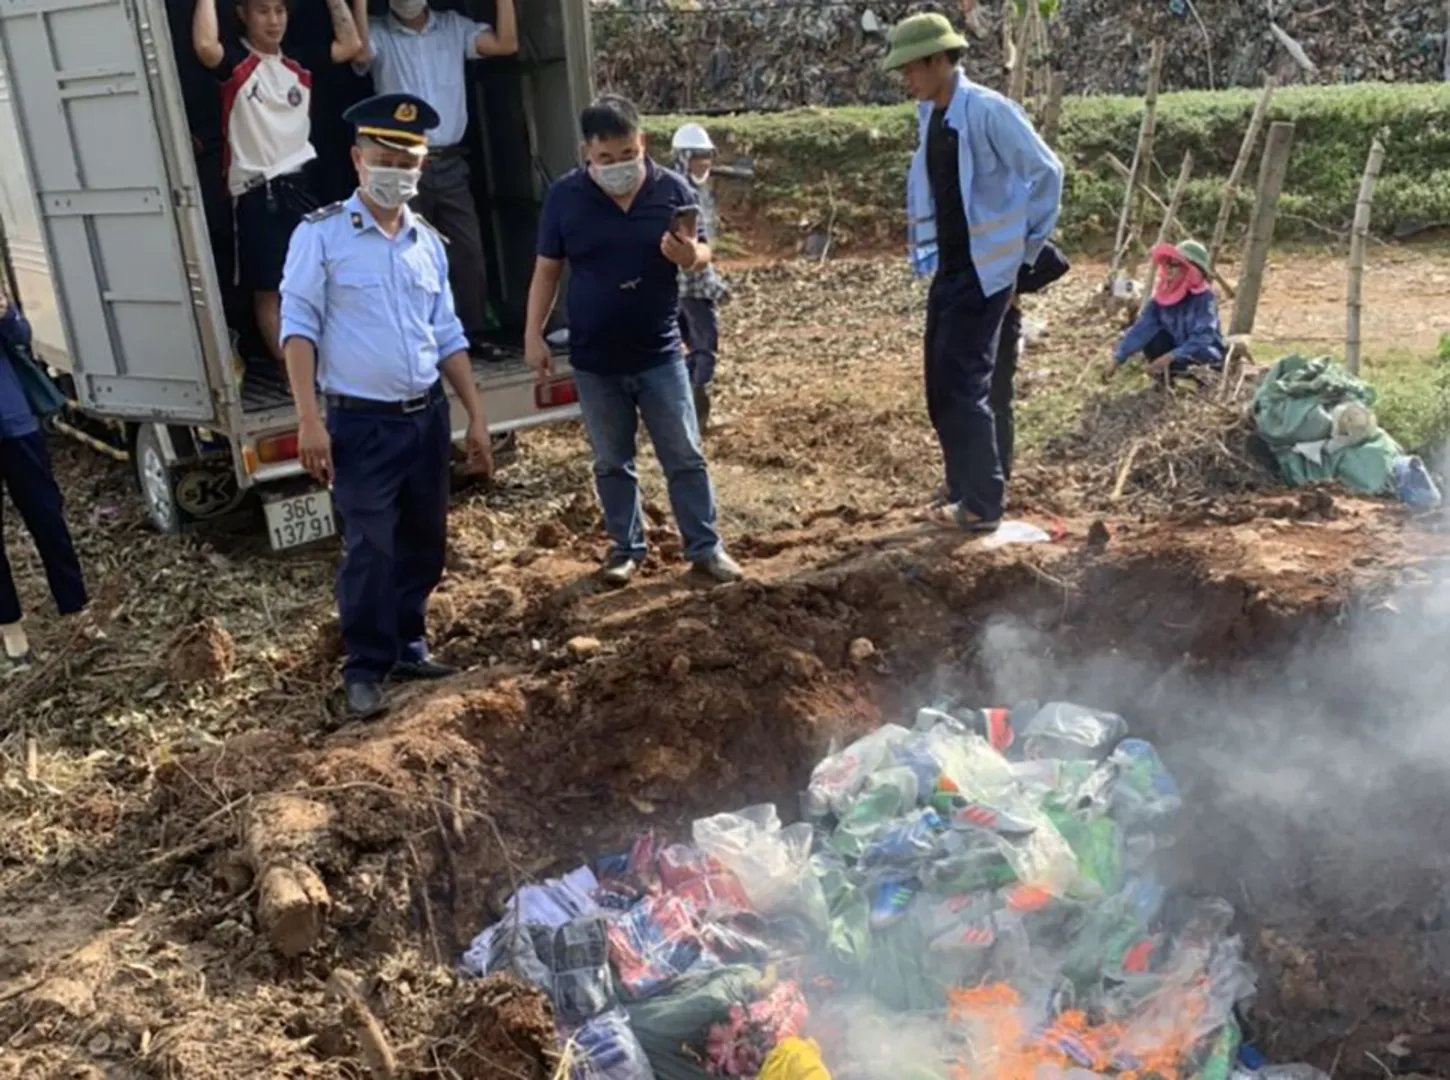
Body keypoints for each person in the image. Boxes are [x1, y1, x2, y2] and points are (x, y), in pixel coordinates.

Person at [279, 92, 493, 720]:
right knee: (371, 546)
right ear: (357, 158)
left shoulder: (428, 241)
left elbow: (447, 334)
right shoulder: (320, 237)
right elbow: (299, 328)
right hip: (359, 422)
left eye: (409, 158)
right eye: (384, 155)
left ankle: (408, 642)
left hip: (424, 417)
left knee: (424, 540)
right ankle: (365, 666)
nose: (397, 168)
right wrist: (308, 419)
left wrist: (476, 414)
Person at [523, 95, 743, 589]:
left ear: (641, 143)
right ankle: (626, 550)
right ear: (588, 154)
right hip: (595, 357)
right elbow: (547, 270)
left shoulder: (672, 189)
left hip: (660, 350)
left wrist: (691, 257)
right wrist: (532, 333)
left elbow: (704, 248)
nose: (618, 167)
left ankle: (705, 547)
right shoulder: (565, 197)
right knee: (611, 461)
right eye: (606, 159)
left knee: (684, 453)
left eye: (627, 154)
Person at [883, 12, 1063, 533]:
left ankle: (983, 502)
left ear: (940, 60)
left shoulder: (987, 111)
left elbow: (1046, 172)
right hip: (951, 267)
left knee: (964, 384)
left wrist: (1023, 256)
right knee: (940, 384)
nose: (907, 80)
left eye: (912, 69)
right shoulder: (934, 115)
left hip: (987, 271)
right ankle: (962, 484)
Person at [192, 0, 366, 369]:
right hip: (257, 191)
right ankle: (296, 374)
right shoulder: (237, 62)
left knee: (320, 281)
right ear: (243, 14)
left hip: (302, 185)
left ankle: (328, 363)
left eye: (280, 11)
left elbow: (351, 46)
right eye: (263, 11)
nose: (273, 21)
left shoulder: (298, 61)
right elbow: (207, 47)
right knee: (271, 290)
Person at [355, 0, 518, 356]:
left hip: (450, 161)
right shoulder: (378, 32)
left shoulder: (455, 27)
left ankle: (473, 333)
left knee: (467, 250)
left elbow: (506, 44)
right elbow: (358, 52)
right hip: (399, 165)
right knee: (404, 254)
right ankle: (417, 337)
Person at [0, 294, 87, 672]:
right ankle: (11, 628)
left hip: (13, 420)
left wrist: (6, 314)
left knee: (47, 517)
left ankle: (76, 608)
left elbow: (20, 335)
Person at [990, 241, 1069, 483]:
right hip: (975, 319)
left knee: (996, 399)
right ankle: (973, 474)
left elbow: (1057, 263)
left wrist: (1014, 286)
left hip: (1000, 319)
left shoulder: (1005, 234)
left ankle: (997, 475)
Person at [670, 122, 727, 430]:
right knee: (705, 346)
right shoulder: (682, 192)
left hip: (682, 287)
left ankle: (686, 413)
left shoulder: (684, 187)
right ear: (684, 157)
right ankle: (697, 417)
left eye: (707, 156)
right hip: (690, 286)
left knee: (688, 347)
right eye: (698, 157)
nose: (704, 163)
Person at [1110, 240, 1226, 380]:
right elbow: (1141, 329)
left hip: (1204, 354)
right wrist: (1118, 358)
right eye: (1167, 264)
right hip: (1176, 353)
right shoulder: (1162, 299)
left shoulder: (1205, 297)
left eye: (1175, 264)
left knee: (1195, 355)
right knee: (1152, 338)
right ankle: (1166, 380)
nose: (1168, 268)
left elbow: (1203, 337)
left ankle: (1187, 382)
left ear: (1191, 270)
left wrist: (1171, 356)